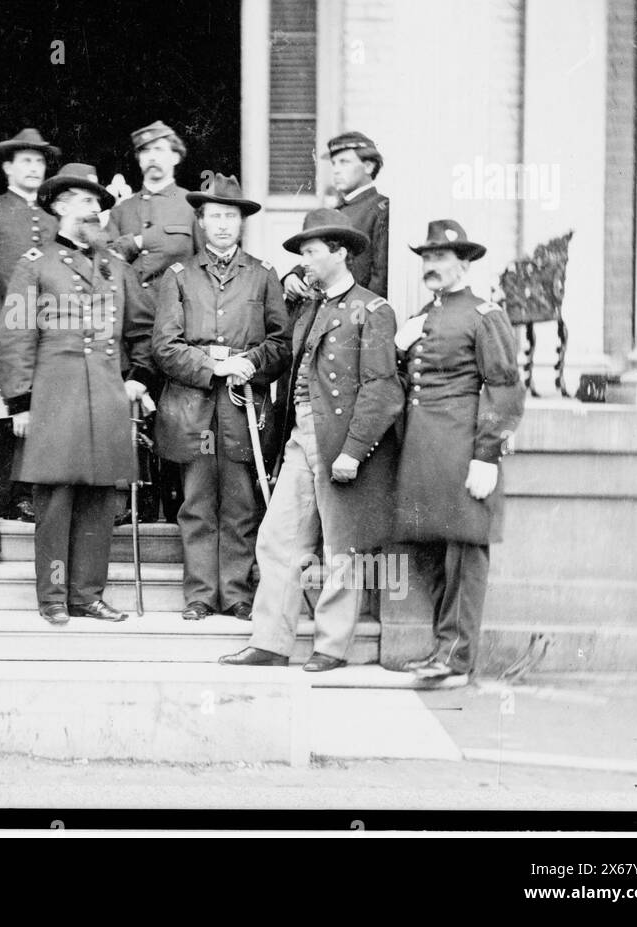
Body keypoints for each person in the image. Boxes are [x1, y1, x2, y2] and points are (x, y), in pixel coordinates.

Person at [220, 209, 402, 672]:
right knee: (278, 538)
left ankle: (331, 646)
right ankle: (270, 641)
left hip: (340, 443)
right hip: (301, 438)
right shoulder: (308, 306)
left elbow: (382, 388)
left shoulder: (373, 309)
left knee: (341, 549)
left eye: (312, 252)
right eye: (301, 253)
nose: (304, 262)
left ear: (340, 253)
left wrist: (354, 451)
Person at [0, 168, 156, 625]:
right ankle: (54, 595)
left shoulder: (114, 267)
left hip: (105, 395)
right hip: (53, 393)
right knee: (57, 498)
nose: (95, 212)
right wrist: (20, 401)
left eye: (98, 205)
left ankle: (88, 595)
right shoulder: (35, 264)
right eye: (86, 203)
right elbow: (15, 334)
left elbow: (143, 327)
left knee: (100, 499)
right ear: (61, 206)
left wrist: (139, 377)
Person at [393, 219, 526, 685]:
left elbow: (505, 388)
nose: (430, 265)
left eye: (440, 258)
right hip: (423, 452)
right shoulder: (425, 315)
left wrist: (486, 454)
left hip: (462, 449)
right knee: (432, 552)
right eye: (426, 258)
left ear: (463, 263)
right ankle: (442, 647)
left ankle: (456, 658)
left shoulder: (484, 314)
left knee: (465, 554)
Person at [152, 172, 290, 621]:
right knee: (195, 505)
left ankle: (235, 593)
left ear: (241, 222)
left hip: (241, 408)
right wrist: (215, 366)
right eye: (215, 216)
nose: (223, 224)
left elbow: (280, 344)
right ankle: (199, 596)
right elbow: (165, 348)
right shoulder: (177, 277)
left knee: (240, 505)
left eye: (231, 216)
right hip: (192, 410)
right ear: (201, 221)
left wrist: (249, 364)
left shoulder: (263, 275)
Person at [0, 128, 60, 559]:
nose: (33, 168)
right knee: (0, 426)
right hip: (5, 337)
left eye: (39, 161)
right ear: (6, 167)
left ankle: (22, 500)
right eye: (25, 161)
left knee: (40, 420)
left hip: (50, 339)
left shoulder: (55, 218)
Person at [108, 119, 204, 523]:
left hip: (179, 328)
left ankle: (176, 505)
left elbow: (203, 263)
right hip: (131, 326)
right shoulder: (123, 209)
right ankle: (136, 505)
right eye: (145, 151)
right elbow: (105, 259)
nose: (152, 158)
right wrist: (130, 244)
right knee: (131, 412)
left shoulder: (193, 205)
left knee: (176, 416)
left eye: (161, 150)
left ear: (176, 157)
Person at [283, 131, 390, 304]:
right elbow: (317, 254)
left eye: (344, 162)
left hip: (356, 308)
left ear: (368, 167)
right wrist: (294, 275)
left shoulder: (380, 210)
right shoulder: (336, 211)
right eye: (333, 163)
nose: (336, 170)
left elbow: (380, 275)